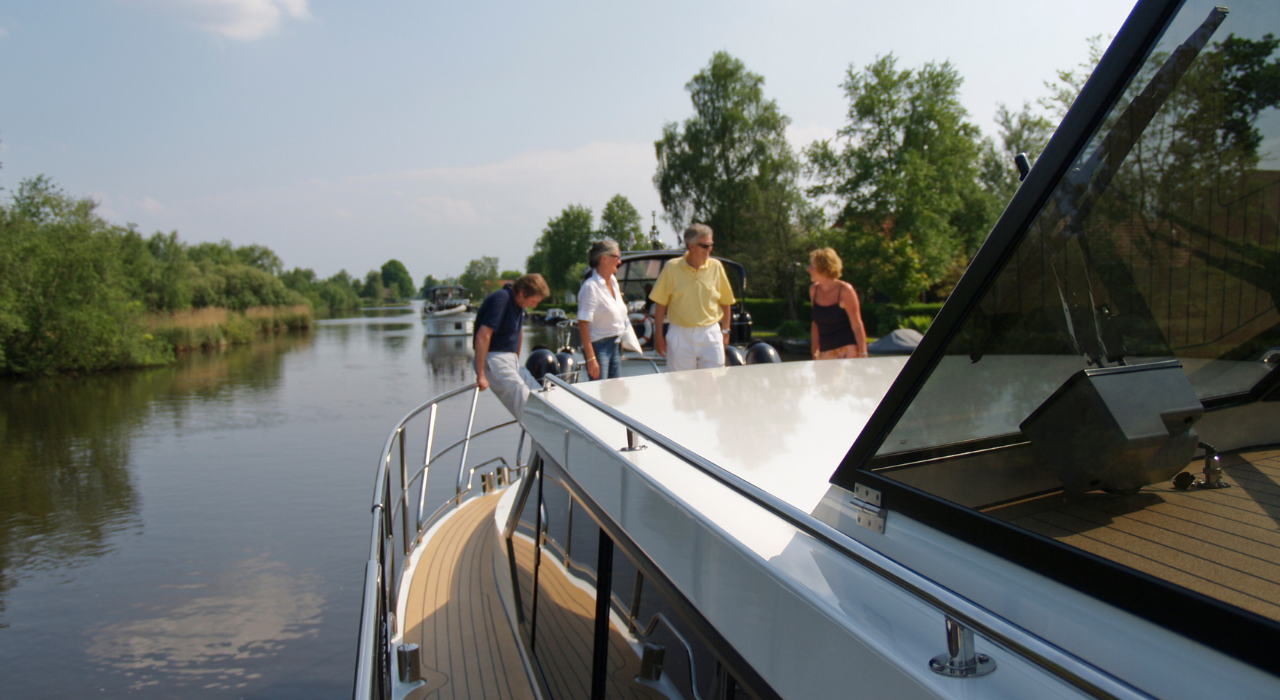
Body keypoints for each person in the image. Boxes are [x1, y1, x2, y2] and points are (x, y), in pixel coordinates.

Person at [649, 224, 736, 371]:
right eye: (705, 246)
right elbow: (661, 304)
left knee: (714, 380)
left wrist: (726, 332)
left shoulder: (716, 267)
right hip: (680, 334)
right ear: (691, 246)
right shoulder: (671, 268)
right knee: (680, 382)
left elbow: (726, 302)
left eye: (711, 245)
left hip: (710, 333)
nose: (709, 249)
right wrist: (658, 336)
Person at [474, 273, 549, 418]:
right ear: (522, 293)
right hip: (494, 359)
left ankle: (546, 428)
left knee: (542, 397)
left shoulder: (518, 304)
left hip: (509, 360)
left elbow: (519, 333)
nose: (534, 305)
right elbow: (483, 335)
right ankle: (540, 426)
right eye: (533, 301)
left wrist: (516, 362)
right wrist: (481, 375)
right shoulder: (501, 298)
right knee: (528, 405)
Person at [577, 239, 630, 380]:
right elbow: (583, 323)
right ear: (603, 258)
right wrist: (591, 358)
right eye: (617, 257)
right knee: (600, 389)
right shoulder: (591, 287)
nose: (619, 261)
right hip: (599, 347)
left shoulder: (614, 283)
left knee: (614, 390)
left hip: (615, 345)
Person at [807, 247, 868, 360]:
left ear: (824, 268)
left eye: (812, 266)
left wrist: (863, 354)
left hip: (847, 351)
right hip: (825, 351)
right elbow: (816, 323)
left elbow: (857, 325)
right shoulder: (813, 290)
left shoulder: (845, 290)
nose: (808, 269)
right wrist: (814, 351)